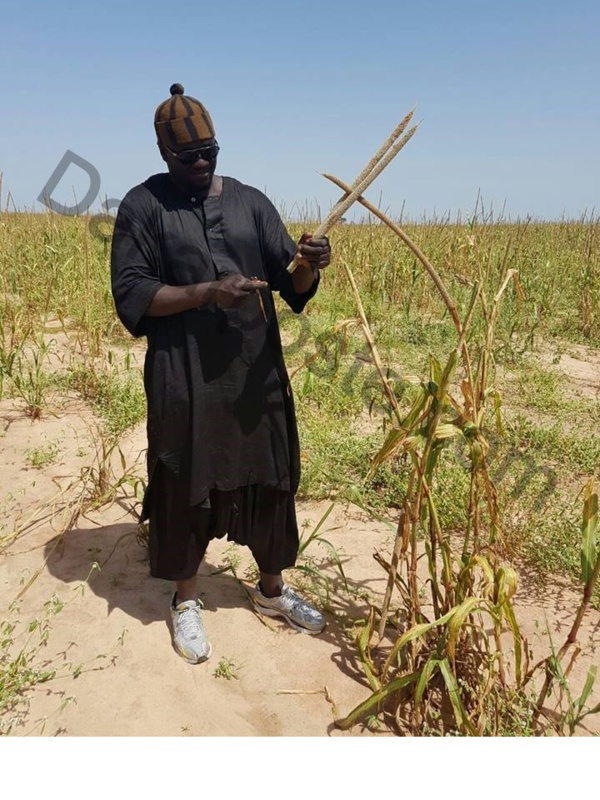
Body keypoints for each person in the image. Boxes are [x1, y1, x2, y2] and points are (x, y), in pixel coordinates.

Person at [111, 83, 331, 664]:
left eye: (210, 149)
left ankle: (272, 590)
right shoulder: (142, 206)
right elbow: (132, 293)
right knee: (187, 475)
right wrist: (209, 292)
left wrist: (309, 264)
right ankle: (186, 600)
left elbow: (293, 286)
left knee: (270, 475)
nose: (202, 161)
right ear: (164, 154)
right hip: (184, 375)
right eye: (189, 156)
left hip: (254, 372)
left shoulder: (251, 202)